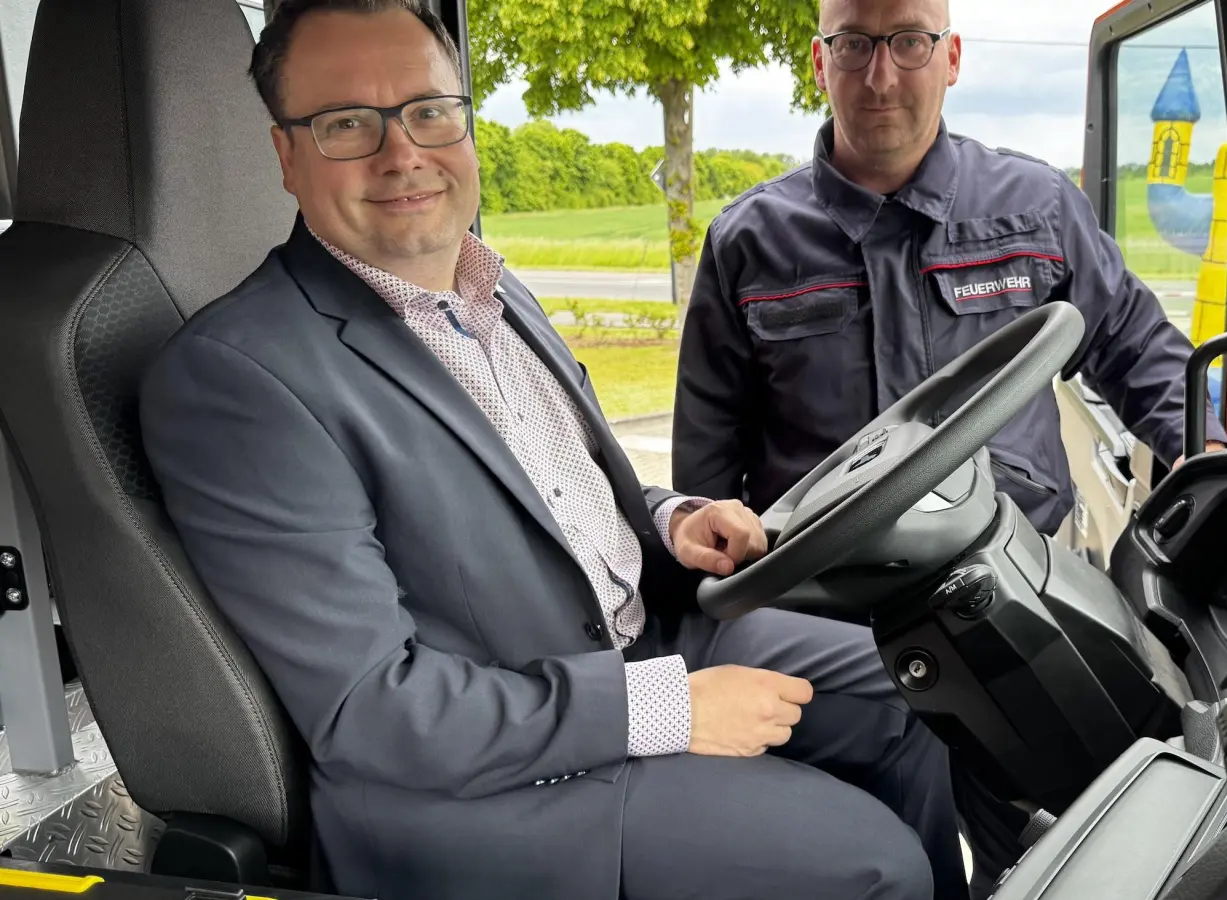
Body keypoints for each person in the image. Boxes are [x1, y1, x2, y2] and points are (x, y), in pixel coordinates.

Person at [138, 2, 988, 898]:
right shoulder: (240, 380)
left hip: (643, 641)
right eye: (347, 123)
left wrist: (673, 519)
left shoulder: (493, 294)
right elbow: (371, 713)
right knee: (871, 867)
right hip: (488, 786)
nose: (403, 153)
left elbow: (555, 493)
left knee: (924, 688)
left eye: (430, 111)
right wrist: (665, 709)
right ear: (286, 155)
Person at [672, 0, 1227, 541]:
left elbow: (1132, 345)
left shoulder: (1039, 208)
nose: (881, 78)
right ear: (821, 62)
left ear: (953, 57)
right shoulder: (746, 242)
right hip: (814, 597)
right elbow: (707, 459)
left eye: (911, 41)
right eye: (853, 44)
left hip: (1016, 582)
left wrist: (1202, 453)